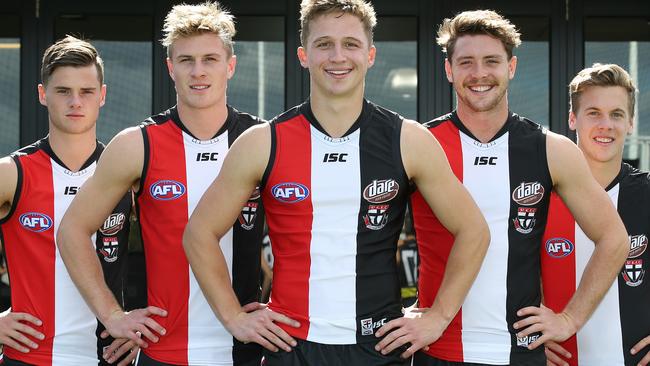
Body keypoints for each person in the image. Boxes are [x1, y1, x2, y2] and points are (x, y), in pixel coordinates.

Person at [182, 0, 490, 365]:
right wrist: (233, 317)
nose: (338, 56)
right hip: (290, 345)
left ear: (371, 54)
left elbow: (474, 231)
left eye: (351, 44)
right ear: (303, 55)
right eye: (324, 44)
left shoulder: (408, 139)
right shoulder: (264, 141)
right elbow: (198, 234)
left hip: (379, 346)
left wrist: (438, 317)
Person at [399, 10, 630, 366]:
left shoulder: (550, 149)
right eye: (466, 62)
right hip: (436, 350)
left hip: (520, 353)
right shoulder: (420, 143)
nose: (479, 74)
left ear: (512, 66)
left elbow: (614, 239)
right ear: (449, 70)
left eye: (491, 61)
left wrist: (569, 319)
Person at [56, 2, 267, 365]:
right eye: (186, 60)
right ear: (171, 68)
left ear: (230, 66)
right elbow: (72, 231)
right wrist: (112, 315)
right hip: (165, 351)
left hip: (251, 348)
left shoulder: (263, 140)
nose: (198, 72)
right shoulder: (137, 144)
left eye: (210, 59)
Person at [0, 36, 134, 366]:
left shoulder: (127, 172)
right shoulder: (12, 173)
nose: (76, 102)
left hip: (108, 357)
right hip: (30, 357)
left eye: (86, 91)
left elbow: (172, 254)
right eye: (63, 91)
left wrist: (142, 327)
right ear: (43, 94)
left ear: (102, 96)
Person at [541, 64, 650, 366]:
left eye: (617, 114)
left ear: (630, 122)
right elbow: (506, 280)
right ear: (572, 119)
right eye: (594, 113)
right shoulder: (540, 197)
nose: (606, 124)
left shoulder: (646, 194)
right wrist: (525, 340)